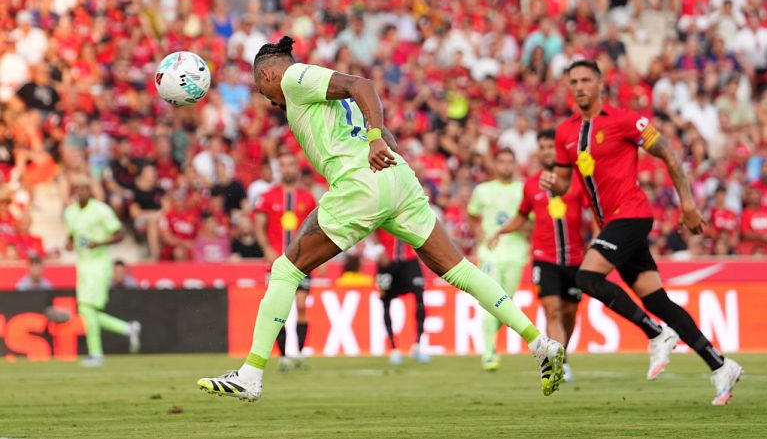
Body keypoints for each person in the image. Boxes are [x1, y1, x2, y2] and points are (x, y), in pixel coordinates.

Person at [197, 36, 565, 401]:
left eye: (263, 92)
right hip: (396, 177)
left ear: (267, 75)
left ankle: (251, 374)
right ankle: (539, 343)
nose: (268, 101)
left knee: (286, 270)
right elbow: (372, 111)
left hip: (362, 181)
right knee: (460, 270)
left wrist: (374, 138)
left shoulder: (293, 78)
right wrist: (379, 137)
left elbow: (362, 84)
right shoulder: (321, 97)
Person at [540, 59, 743, 406]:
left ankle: (656, 333)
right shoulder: (564, 133)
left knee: (587, 277)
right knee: (656, 299)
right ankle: (720, 365)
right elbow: (562, 182)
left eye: (586, 79)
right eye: (573, 80)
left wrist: (688, 204)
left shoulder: (625, 120)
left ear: (600, 83)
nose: (579, 86)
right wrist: (553, 185)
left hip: (631, 214)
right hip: (612, 225)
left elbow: (669, 153)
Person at [487, 130, 587, 382]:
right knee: (552, 310)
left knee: (569, 312)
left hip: (575, 258)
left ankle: (564, 354)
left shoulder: (577, 180)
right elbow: (522, 215)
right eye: (541, 146)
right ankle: (559, 363)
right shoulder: (531, 184)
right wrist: (501, 230)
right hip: (544, 257)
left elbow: (593, 212)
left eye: (550, 146)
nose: (546, 151)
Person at [63, 175, 141, 367]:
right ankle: (127, 328)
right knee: (86, 310)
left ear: (90, 191)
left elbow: (120, 233)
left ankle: (96, 354)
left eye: (85, 189)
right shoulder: (70, 213)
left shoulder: (101, 210)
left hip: (99, 265)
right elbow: (71, 238)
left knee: (86, 308)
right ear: (74, 192)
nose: (82, 192)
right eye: (78, 189)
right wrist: (68, 245)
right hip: (82, 265)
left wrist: (99, 243)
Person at [253, 150, 316, 371]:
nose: (288, 169)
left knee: (300, 305)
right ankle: (283, 355)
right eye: (284, 165)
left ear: (296, 169)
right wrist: (266, 248)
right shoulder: (267, 196)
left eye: (291, 164)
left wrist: (321, 258)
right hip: (276, 261)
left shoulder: (308, 197)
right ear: (279, 169)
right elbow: (258, 226)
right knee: (279, 308)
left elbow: (316, 228)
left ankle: (299, 352)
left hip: (304, 261)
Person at [467, 148, 528, 371]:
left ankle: (490, 344)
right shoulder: (483, 190)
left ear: (515, 164)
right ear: (495, 164)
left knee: (506, 305)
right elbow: (472, 214)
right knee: (492, 301)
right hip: (489, 253)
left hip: (516, 252)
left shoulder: (523, 189)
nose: (505, 166)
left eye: (509, 162)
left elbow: (529, 218)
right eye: (501, 161)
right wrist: (478, 233)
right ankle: (488, 352)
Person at [375, 229, 429, 365]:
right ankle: (394, 349)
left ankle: (417, 345)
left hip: (410, 260)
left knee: (420, 296)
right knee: (385, 302)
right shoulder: (379, 208)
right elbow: (369, 226)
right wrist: (378, 249)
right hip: (387, 260)